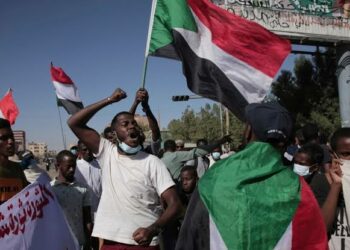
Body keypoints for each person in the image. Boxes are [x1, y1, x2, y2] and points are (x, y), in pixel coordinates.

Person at [175, 102, 328, 250]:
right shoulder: (299, 187)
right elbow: (314, 242)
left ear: (248, 132)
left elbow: (190, 238)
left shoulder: (213, 179)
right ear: (285, 141)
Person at [67, 88, 181, 250]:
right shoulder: (107, 152)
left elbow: (175, 204)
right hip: (111, 241)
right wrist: (110, 100)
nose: (131, 127)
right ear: (114, 134)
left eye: (134, 124)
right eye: (125, 124)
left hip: (143, 244)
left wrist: (152, 229)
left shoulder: (152, 162)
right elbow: (74, 122)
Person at [310, 128, 350, 249]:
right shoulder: (321, 182)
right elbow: (321, 228)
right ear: (333, 154)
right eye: (346, 154)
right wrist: (336, 186)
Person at [51, 150, 93, 249]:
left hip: (78, 242)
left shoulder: (83, 188)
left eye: (74, 166)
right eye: (68, 166)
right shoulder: (50, 189)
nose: (72, 169)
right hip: (58, 242)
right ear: (58, 166)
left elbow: (87, 218)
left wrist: (88, 240)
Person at [162, 136, 231, 181]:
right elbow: (198, 152)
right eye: (178, 147)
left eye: (181, 146)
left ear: (164, 149)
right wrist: (221, 141)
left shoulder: (159, 161)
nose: (180, 149)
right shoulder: (177, 155)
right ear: (175, 148)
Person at [0, 118, 28, 204]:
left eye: (11, 136)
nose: (10, 141)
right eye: (4, 138)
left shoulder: (17, 168)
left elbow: (26, 196)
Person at [75, 140, 102, 222]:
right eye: (84, 150)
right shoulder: (76, 167)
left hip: (99, 210)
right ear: (79, 151)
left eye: (90, 149)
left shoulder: (99, 164)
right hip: (82, 212)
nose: (88, 152)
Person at [129, 88, 161, 155]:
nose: (140, 132)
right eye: (136, 131)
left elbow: (155, 131)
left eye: (140, 130)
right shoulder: (126, 151)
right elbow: (128, 121)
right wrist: (135, 102)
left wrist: (146, 107)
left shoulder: (150, 151)